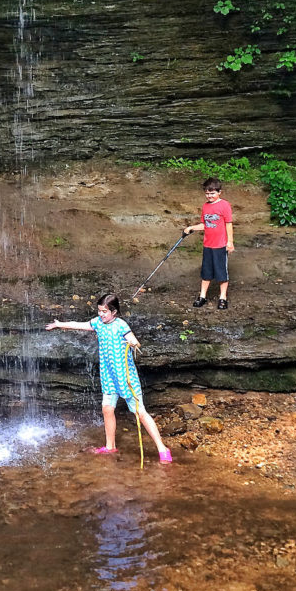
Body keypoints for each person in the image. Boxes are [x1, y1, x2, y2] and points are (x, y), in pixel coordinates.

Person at [45, 293, 172, 463]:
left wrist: (133, 344)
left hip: (125, 378)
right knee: (107, 409)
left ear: (114, 312)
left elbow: (134, 341)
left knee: (140, 413)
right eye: (99, 311)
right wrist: (59, 324)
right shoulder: (98, 323)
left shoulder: (121, 325)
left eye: (104, 311)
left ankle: (163, 449)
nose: (101, 314)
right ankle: (110, 446)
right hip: (109, 376)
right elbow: (80, 325)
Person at [184, 176, 234, 310]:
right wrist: (191, 228)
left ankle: (223, 298)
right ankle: (202, 296)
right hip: (208, 245)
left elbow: (228, 224)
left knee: (221, 272)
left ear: (219, 192)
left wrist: (230, 242)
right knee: (206, 272)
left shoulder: (224, 205)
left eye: (212, 193)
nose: (209, 196)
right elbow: (205, 225)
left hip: (220, 245)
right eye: (207, 193)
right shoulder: (205, 207)